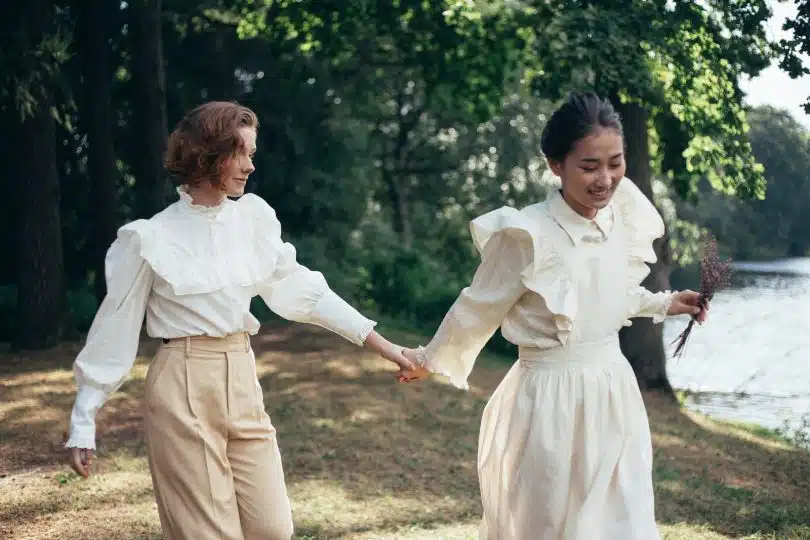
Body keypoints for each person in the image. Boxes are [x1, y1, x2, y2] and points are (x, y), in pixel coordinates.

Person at [64, 101, 415, 540]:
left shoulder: (253, 218)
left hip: (242, 377)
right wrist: (83, 419)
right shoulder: (150, 237)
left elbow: (305, 291)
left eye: (252, 154)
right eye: (241, 153)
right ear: (207, 154)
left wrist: (384, 346)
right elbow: (114, 328)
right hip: (182, 383)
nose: (250, 166)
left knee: (273, 529)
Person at [402, 92, 709, 539]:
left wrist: (664, 303)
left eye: (615, 163)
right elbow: (478, 305)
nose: (605, 179)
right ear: (556, 165)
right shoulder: (527, 233)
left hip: (612, 392)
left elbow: (610, 295)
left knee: (618, 523)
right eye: (589, 166)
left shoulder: (621, 216)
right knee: (546, 523)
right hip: (547, 401)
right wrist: (431, 359)